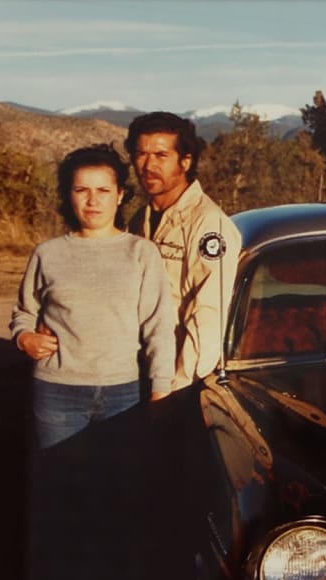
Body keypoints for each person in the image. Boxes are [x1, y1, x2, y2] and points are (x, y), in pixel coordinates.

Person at [11, 144, 175, 449]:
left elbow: (159, 327)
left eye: (103, 189)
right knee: (60, 485)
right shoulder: (48, 254)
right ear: (68, 194)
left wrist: (161, 389)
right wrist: (24, 338)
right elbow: (24, 313)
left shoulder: (141, 253)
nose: (93, 200)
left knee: (118, 489)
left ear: (120, 194)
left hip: (125, 393)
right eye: (81, 189)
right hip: (57, 391)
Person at [125, 111, 242, 391]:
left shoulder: (207, 224)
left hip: (176, 380)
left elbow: (208, 314)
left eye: (161, 155)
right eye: (141, 154)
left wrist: (177, 387)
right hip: (137, 370)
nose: (148, 165)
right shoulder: (139, 220)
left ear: (185, 161)